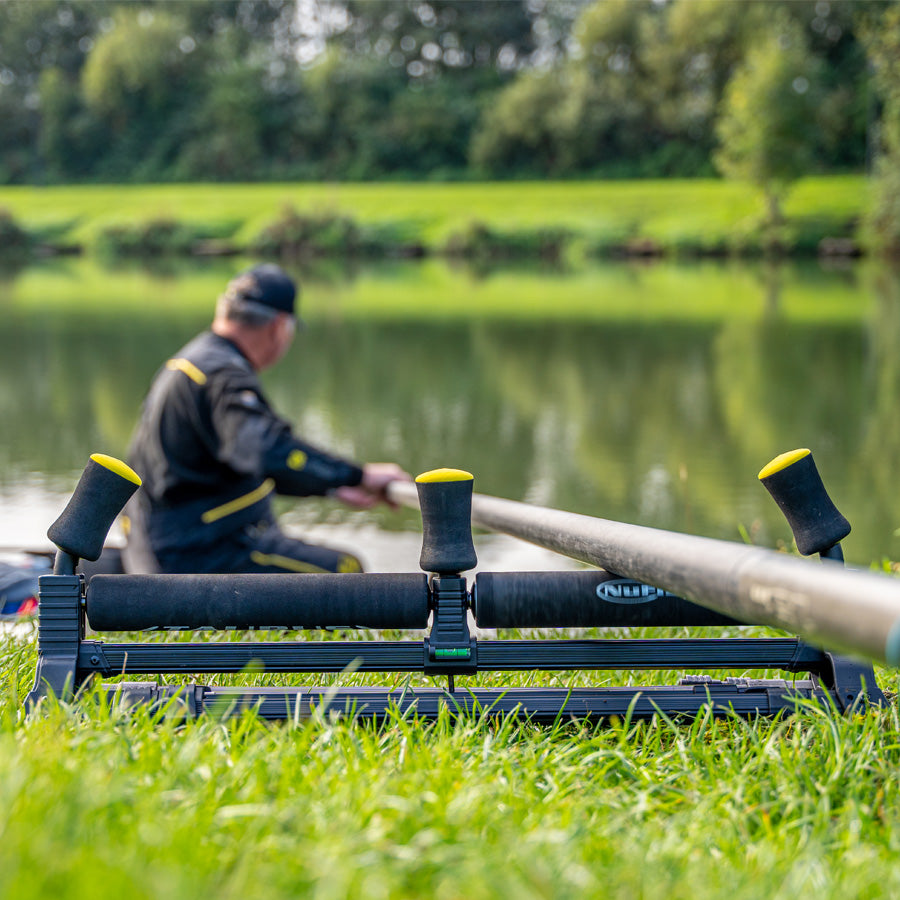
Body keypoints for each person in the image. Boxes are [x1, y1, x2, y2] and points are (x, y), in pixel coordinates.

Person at [123, 263, 410, 575]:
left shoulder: (191, 362)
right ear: (279, 328)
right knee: (345, 572)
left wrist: (331, 486)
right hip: (197, 553)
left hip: (162, 544)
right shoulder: (224, 376)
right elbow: (265, 450)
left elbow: (240, 458)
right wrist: (358, 475)